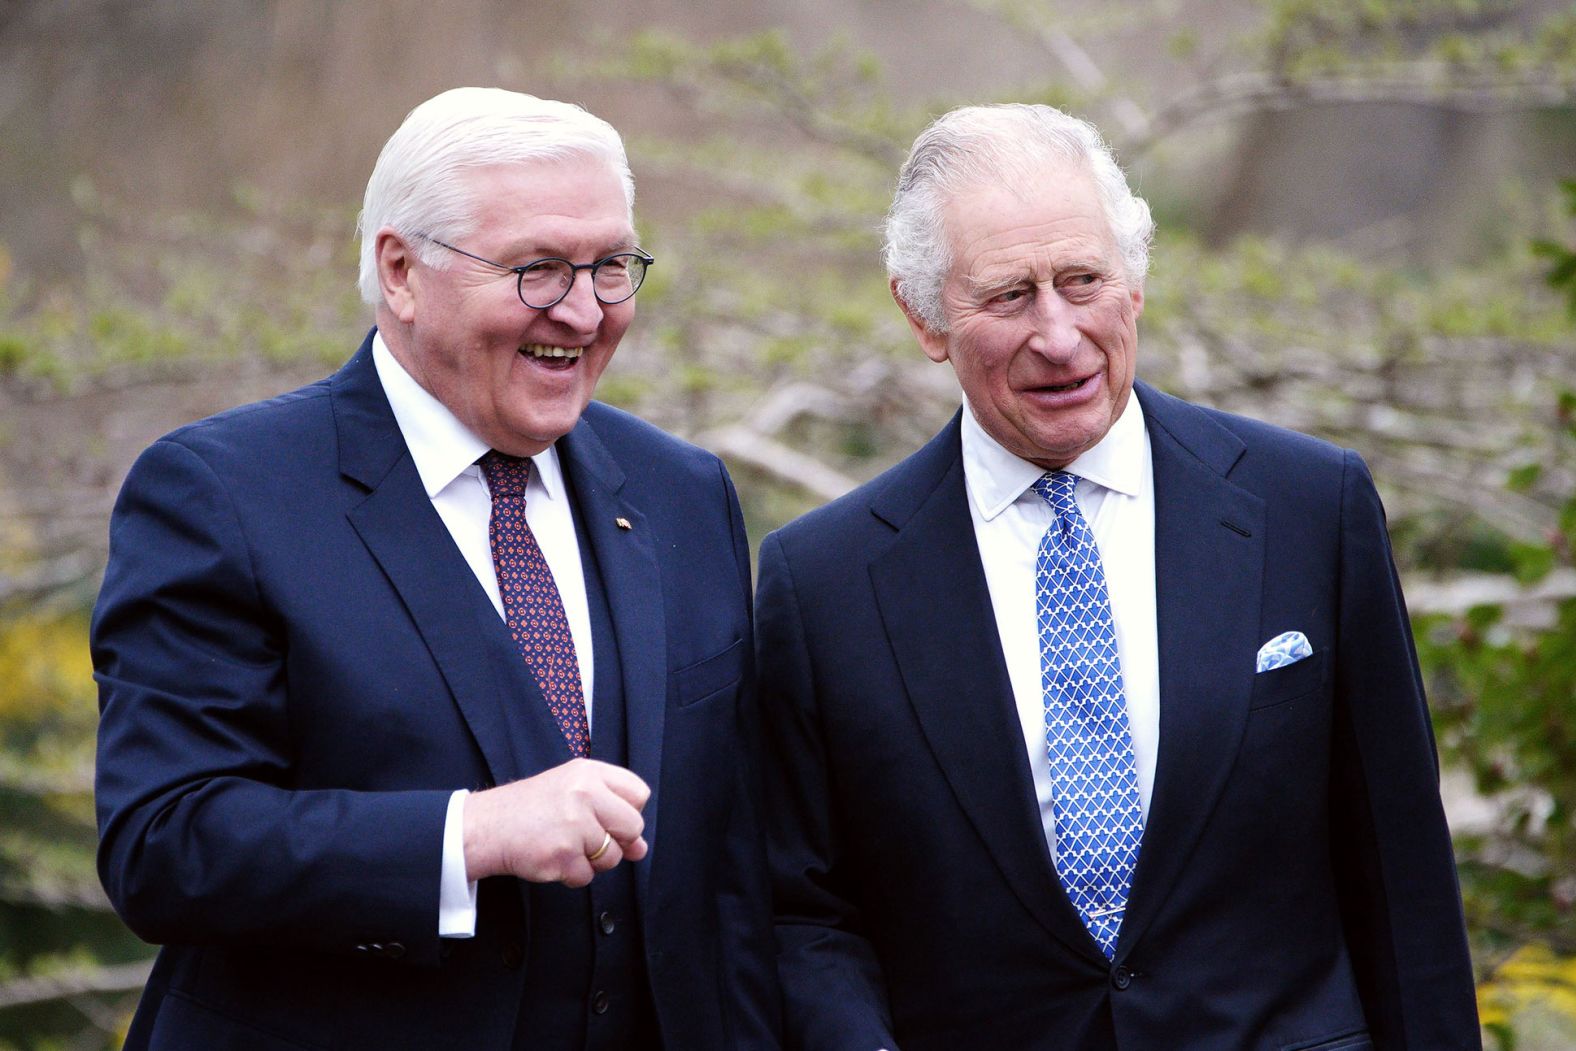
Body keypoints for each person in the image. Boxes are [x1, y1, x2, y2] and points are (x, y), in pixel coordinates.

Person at [755, 103, 1479, 1050]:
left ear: (1133, 283)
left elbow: (1400, 867)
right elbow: (802, 908)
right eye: (1009, 296)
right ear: (924, 316)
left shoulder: (1311, 506)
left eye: (1083, 280)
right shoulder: (823, 582)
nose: (1059, 334)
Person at [93, 87, 779, 1051]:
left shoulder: (681, 491)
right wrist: (468, 836)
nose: (584, 312)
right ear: (401, 271)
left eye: (611, 267)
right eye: (538, 270)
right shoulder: (222, 493)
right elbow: (165, 844)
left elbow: (732, 873)